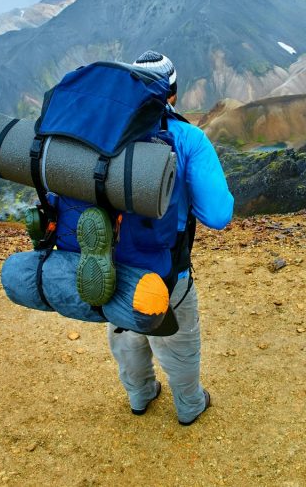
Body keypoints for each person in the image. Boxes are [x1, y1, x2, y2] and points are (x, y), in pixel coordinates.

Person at [107, 50, 234, 426]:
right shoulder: (188, 138)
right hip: (168, 268)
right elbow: (217, 215)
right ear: (172, 94)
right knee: (178, 339)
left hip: (113, 265)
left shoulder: (106, 136)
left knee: (126, 330)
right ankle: (190, 404)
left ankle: (140, 395)